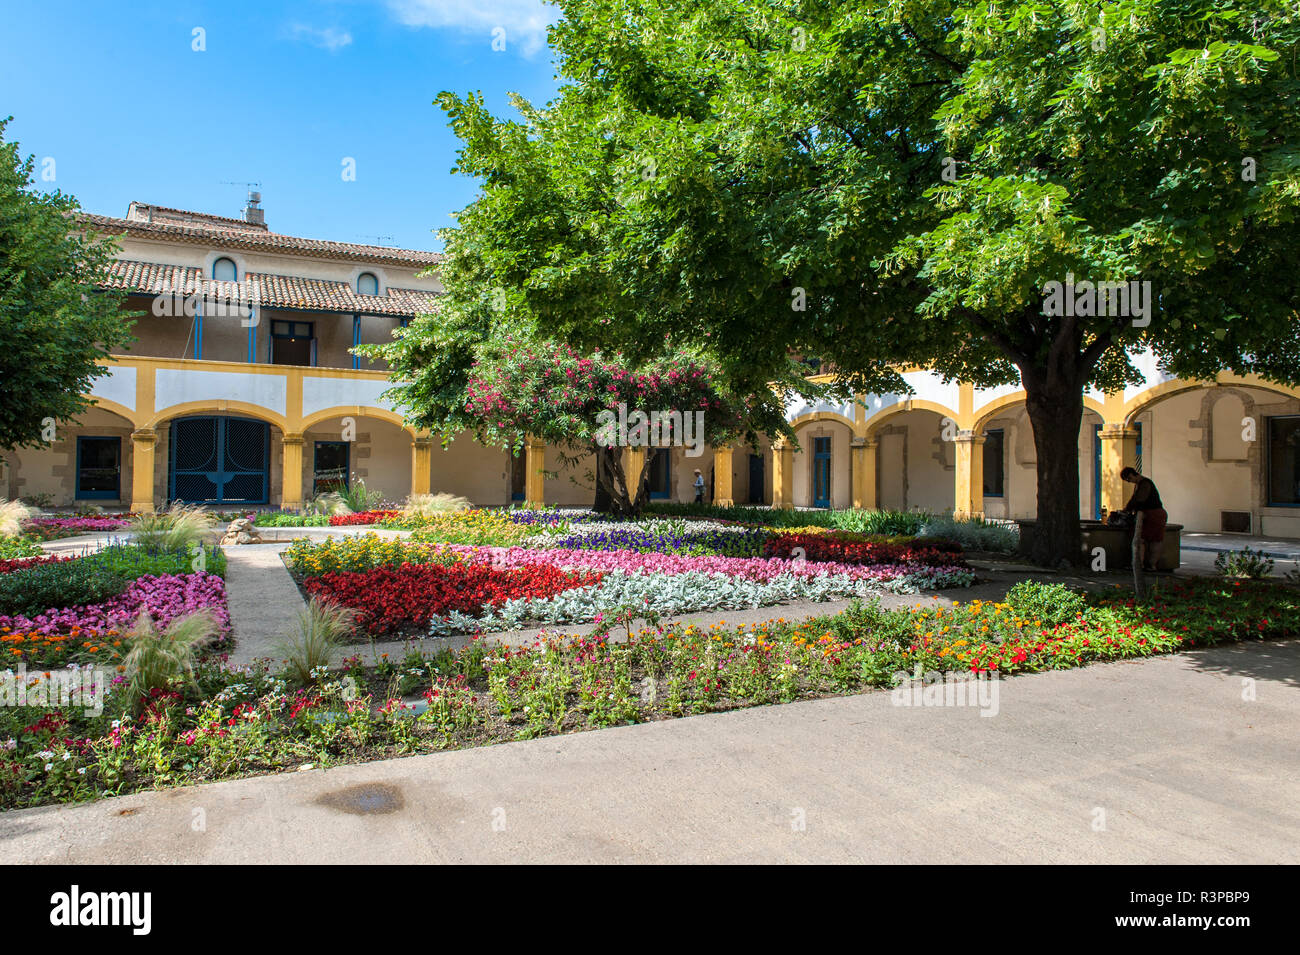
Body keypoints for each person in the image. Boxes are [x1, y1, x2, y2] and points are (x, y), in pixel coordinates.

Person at [1121, 466, 1167, 599]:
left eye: (1129, 479)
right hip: (1151, 514)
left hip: (1153, 514)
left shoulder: (1145, 484)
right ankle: (1148, 565)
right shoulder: (1140, 484)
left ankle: (1146, 565)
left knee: (1146, 539)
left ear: (1133, 474)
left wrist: (1127, 509)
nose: (1130, 482)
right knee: (1151, 539)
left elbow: (1139, 500)